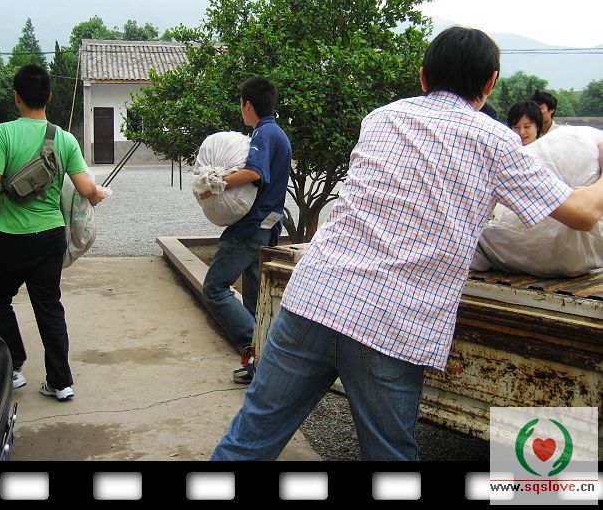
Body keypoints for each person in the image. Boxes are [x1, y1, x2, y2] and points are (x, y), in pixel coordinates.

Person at [211, 26, 603, 461]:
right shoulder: (497, 141)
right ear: (491, 82)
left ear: (423, 76)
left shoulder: (381, 118)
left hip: (313, 297)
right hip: (392, 322)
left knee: (249, 440)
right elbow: (582, 214)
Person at [0, 64, 106, 401]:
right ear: (49, 96)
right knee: (49, 306)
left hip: (10, 237)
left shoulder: (3, 133)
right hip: (50, 236)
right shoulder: (64, 138)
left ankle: (14, 365)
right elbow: (86, 189)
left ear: (17, 97)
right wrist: (97, 194)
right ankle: (60, 382)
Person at [200, 77, 291, 384]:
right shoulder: (279, 134)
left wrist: (217, 184)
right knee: (255, 302)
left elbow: (254, 172)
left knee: (214, 289)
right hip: (268, 228)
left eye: (241, 104)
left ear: (247, 105)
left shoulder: (263, 133)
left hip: (250, 229)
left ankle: (257, 350)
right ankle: (259, 368)